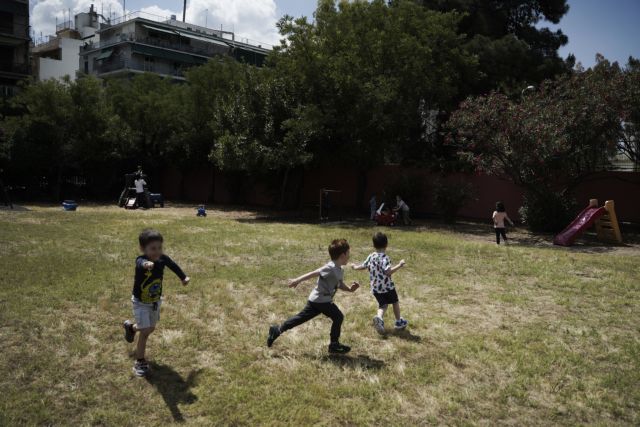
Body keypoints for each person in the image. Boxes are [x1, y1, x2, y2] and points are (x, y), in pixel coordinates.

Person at [267, 239, 360, 354]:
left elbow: (339, 284)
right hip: (322, 301)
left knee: (300, 318)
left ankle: (277, 330)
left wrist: (350, 289)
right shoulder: (330, 267)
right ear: (342, 255)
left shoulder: (339, 269)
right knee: (338, 317)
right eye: (348, 254)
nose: (349, 256)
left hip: (316, 300)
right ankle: (334, 345)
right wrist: (297, 280)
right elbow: (314, 273)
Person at [122, 229, 190, 376]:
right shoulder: (141, 260)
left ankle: (131, 328)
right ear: (143, 248)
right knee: (145, 332)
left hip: (155, 301)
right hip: (140, 302)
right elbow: (140, 263)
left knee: (150, 328)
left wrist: (183, 277)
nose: (157, 251)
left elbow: (173, 265)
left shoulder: (162, 259)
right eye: (153, 248)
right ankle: (140, 361)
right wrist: (147, 264)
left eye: (159, 247)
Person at [352, 232, 408, 334]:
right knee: (395, 302)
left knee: (383, 305)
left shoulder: (371, 256)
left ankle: (379, 318)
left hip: (375, 288)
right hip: (387, 287)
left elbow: (363, 266)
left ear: (373, 245)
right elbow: (388, 272)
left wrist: (355, 267)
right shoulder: (385, 258)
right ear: (386, 245)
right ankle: (399, 322)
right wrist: (399, 265)